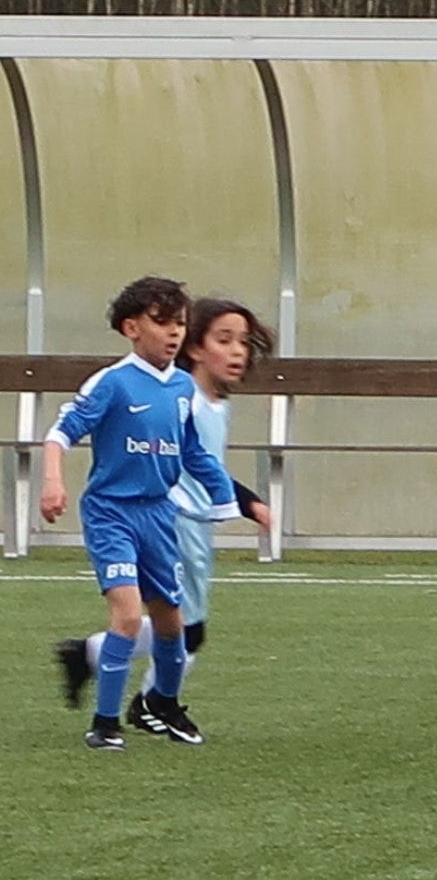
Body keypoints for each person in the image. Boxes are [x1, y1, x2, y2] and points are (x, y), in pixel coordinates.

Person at [54, 298, 276, 742]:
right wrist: (249, 503)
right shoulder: (180, 396)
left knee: (180, 626)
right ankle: (151, 703)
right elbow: (176, 462)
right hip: (171, 522)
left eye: (244, 342)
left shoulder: (207, 401)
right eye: (224, 340)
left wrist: (240, 502)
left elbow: (203, 463)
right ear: (196, 347)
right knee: (182, 629)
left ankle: (93, 657)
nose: (238, 351)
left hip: (193, 526)